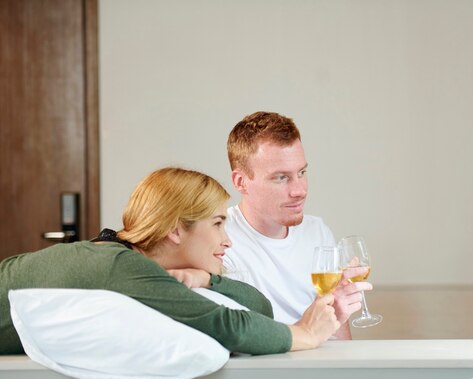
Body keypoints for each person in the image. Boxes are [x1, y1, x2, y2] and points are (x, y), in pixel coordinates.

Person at [0, 167, 339, 355]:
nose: (227, 239)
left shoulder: (127, 256)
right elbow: (227, 326)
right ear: (176, 230)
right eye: (218, 224)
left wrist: (208, 279)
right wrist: (305, 333)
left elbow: (259, 308)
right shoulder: (123, 267)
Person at [222, 111, 372, 339]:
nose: (299, 190)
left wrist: (336, 311)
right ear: (241, 182)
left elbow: (340, 343)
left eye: (301, 172)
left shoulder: (317, 232)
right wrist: (311, 324)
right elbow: (244, 346)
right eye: (281, 177)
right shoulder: (220, 241)